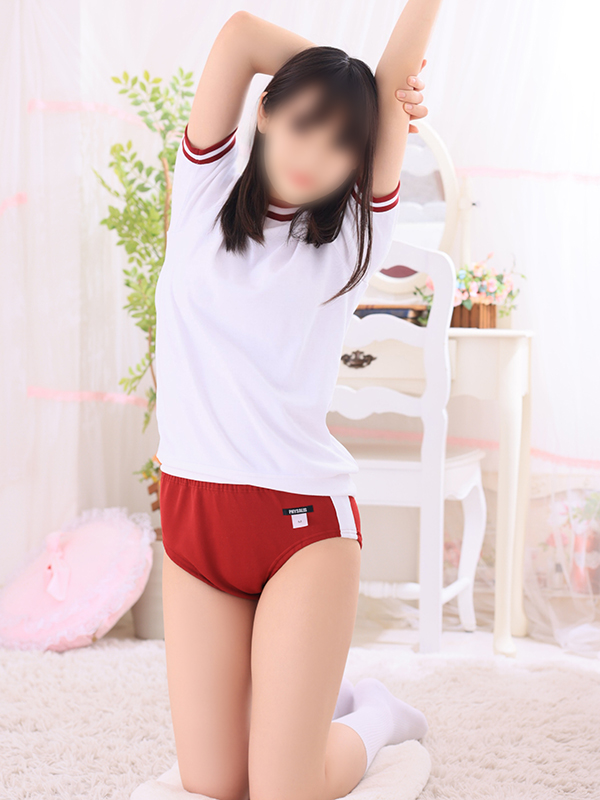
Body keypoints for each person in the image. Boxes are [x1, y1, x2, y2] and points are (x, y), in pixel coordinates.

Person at [154, 5, 442, 799]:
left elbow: (394, 76)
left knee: (286, 790)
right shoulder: (201, 194)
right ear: (266, 111)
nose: (317, 153)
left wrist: (376, 91)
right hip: (194, 516)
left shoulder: (351, 242)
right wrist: (344, 79)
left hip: (303, 526)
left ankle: (375, 715)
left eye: (343, 140)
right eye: (305, 122)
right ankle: (321, 707)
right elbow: (241, 35)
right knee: (214, 783)